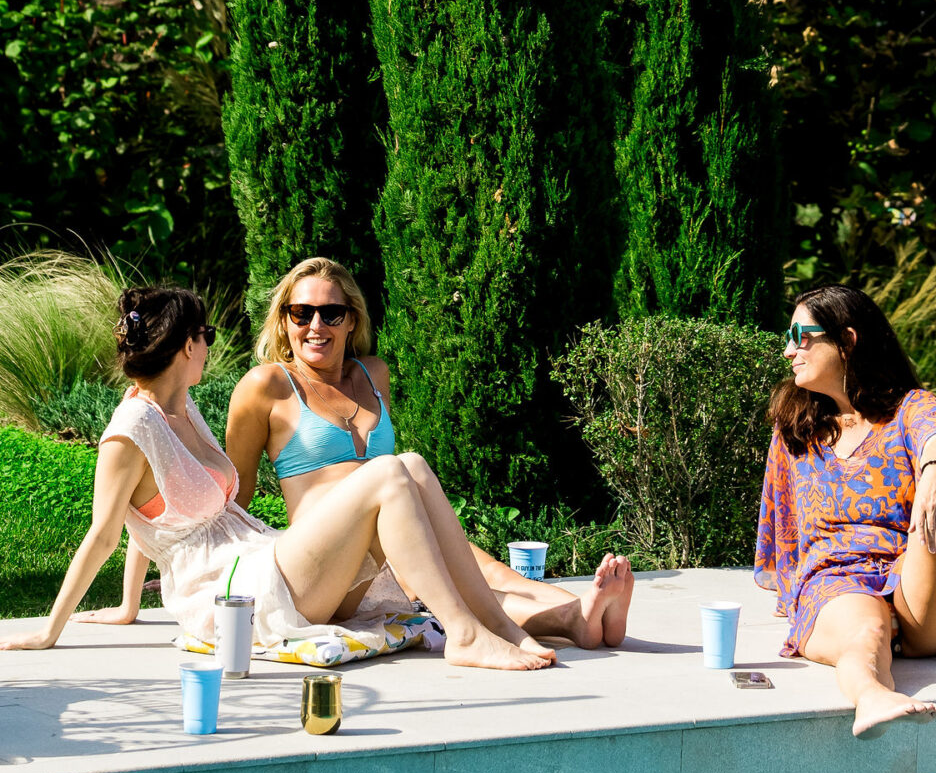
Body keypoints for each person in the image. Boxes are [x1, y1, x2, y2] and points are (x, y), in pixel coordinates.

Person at [0, 283, 558, 672]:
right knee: (389, 472)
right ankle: (462, 634)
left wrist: (127, 607)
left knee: (409, 465)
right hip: (234, 591)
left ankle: (498, 627)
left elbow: (148, 513)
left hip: (266, 558)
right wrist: (51, 630)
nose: (209, 349)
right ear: (188, 344)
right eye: (207, 336)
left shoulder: (181, 407)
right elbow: (105, 532)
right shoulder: (129, 430)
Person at [217, 256, 631, 649]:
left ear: (351, 321)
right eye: (301, 313)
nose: (315, 325)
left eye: (331, 313)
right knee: (445, 576)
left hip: (390, 527)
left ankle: (586, 611)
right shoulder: (266, 384)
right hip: (329, 562)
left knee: (487, 570)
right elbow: (237, 498)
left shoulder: (373, 374)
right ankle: (569, 621)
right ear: (284, 321)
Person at [755, 283, 936, 735]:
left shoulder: (908, 409)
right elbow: (783, 525)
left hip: (913, 586)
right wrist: (792, 593)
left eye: (800, 336)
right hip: (837, 582)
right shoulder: (796, 428)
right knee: (865, 636)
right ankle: (873, 698)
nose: (789, 350)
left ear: (846, 341)